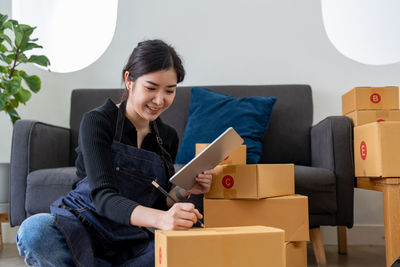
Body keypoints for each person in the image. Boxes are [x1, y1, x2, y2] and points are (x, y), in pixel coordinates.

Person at [16, 39, 215, 267]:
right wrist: (162, 219)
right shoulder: (98, 122)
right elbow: (102, 197)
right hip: (85, 227)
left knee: (187, 247)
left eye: (169, 91)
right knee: (35, 231)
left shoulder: (167, 137)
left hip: (133, 240)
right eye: (151, 88)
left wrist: (186, 188)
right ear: (129, 80)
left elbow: (160, 202)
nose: (160, 100)